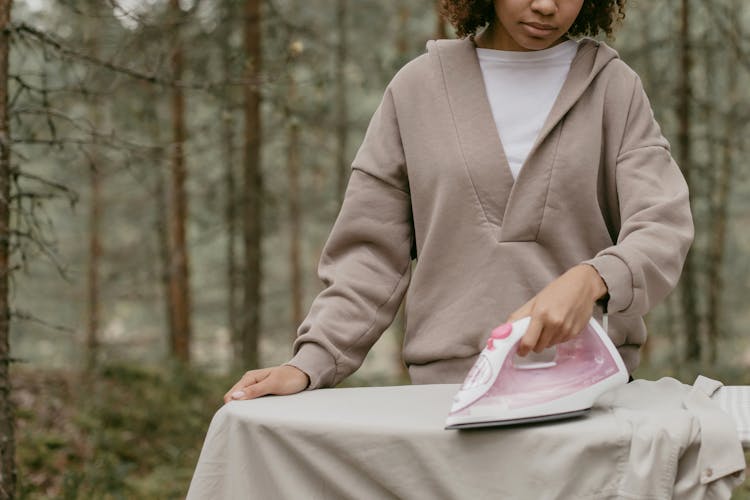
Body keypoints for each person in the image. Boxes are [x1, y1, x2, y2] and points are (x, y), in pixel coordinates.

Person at [223, 0, 693, 403]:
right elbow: (369, 257)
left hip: (590, 393)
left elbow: (662, 226)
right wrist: (310, 363)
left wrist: (594, 277)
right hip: (445, 396)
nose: (548, 5)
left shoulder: (614, 87)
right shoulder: (416, 90)